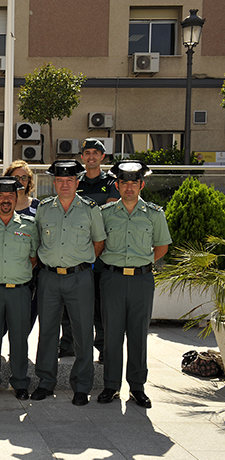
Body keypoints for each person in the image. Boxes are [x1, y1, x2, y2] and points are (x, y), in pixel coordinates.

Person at [97, 161, 171, 409]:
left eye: (134, 183)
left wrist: (142, 262)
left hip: (141, 280)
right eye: (124, 183)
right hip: (113, 280)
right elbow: (98, 244)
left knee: (138, 335)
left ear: (142, 185)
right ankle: (111, 386)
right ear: (117, 185)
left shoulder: (154, 214)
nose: (129, 187)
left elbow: (162, 246)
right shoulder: (105, 213)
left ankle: (137, 387)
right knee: (112, 334)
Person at [32, 160, 106, 406]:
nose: (65, 184)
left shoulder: (90, 209)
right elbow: (36, 242)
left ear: (77, 182)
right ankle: (45, 382)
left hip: (79, 277)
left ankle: (82, 386)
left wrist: (82, 264)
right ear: (54, 183)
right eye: (60, 180)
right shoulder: (44, 209)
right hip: (49, 277)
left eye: (70, 180)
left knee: (83, 332)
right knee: (47, 331)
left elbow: (99, 242)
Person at [0, 177, 39, 401]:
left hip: (19, 291)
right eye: (1, 196)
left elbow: (33, 258)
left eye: (10, 196)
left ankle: (20, 382)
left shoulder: (29, 226)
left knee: (19, 338)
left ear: (16, 198)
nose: (6, 200)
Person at [60, 139, 120, 359]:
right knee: (68, 303)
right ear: (82, 156)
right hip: (75, 252)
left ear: (103, 156)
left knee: (101, 304)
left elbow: (107, 215)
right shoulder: (76, 181)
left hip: (102, 253)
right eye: (87, 153)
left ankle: (103, 348)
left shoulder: (112, 182)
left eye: (96, 152)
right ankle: (67, 344)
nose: (91, 156)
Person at [3, 160, 40, 333]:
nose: (20, 181)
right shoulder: (1, 206)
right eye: (16, 177)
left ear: (29, 181)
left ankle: (19, 346)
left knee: (25, 320)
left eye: (24, 177)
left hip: (30, 274)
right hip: (3, 273)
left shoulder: (38, 207)